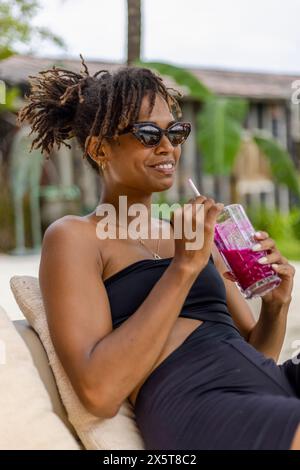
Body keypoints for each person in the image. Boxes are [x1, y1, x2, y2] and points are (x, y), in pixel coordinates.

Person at [18, 57, 300, 450]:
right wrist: (184, 268)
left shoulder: (188, 236)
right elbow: (98, 392)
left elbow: (258, 353)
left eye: (176, 132)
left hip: (267, 383)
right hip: (200, 405)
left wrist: (275, 306)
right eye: (149, 134)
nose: (168, 147)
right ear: (100, 149)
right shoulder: (76, 237)